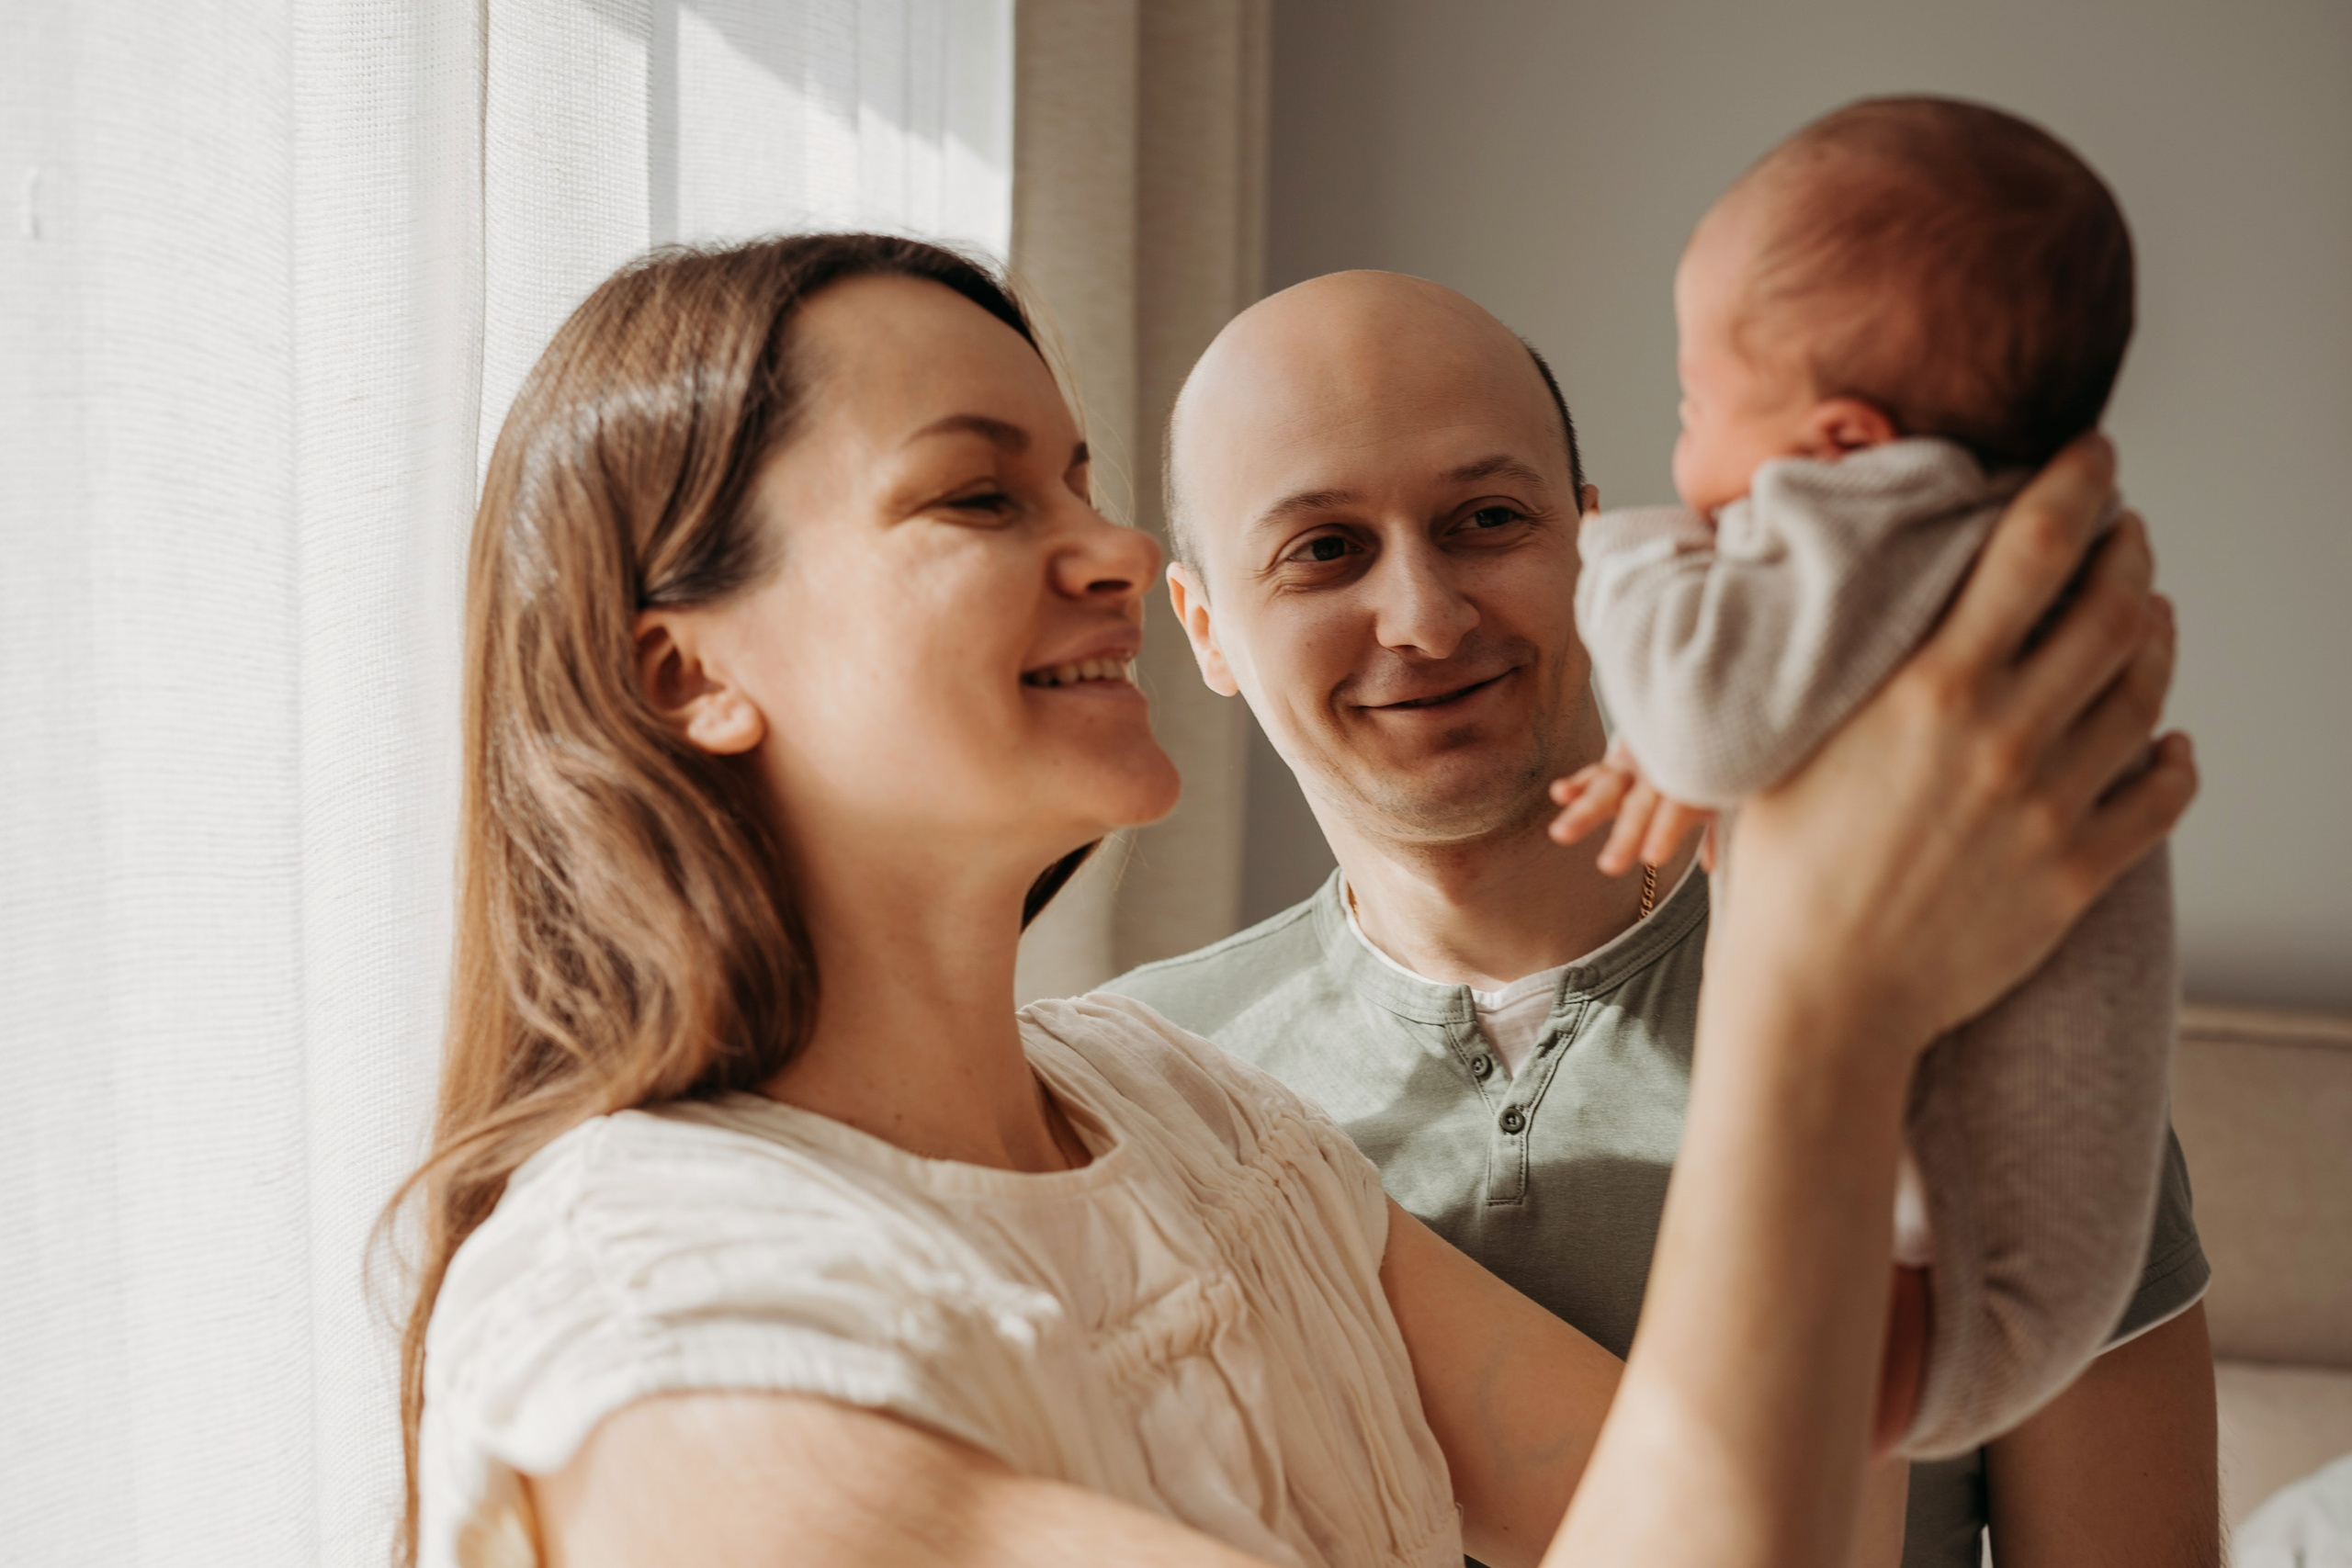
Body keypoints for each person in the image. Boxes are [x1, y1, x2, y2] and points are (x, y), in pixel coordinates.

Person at [390, 232, 2191, 1568]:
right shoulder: (671, 1318)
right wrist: (1827, 994)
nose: (1101, 549)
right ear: (682, 670)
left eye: (1079, 477)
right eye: (976, 491)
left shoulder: (1190, 1123)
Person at [1112, 267, 2215, 1566]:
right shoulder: (1129, 1087)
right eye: (1324, 551)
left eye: (1484, 519)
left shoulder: (1980, 1026)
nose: (1424, 615)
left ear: (1591, 542)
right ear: (1204, 629)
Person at [1568, 95, 2175, 1459]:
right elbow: (1758, 734)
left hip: (1967, 1253)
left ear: (1840, 444)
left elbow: (1716, 718)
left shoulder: (1880, 522)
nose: (1684, 452)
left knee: (1762, 1420)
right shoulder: (1969, 555)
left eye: (1696, 404)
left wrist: (1619, 556)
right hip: (2011, 1249)